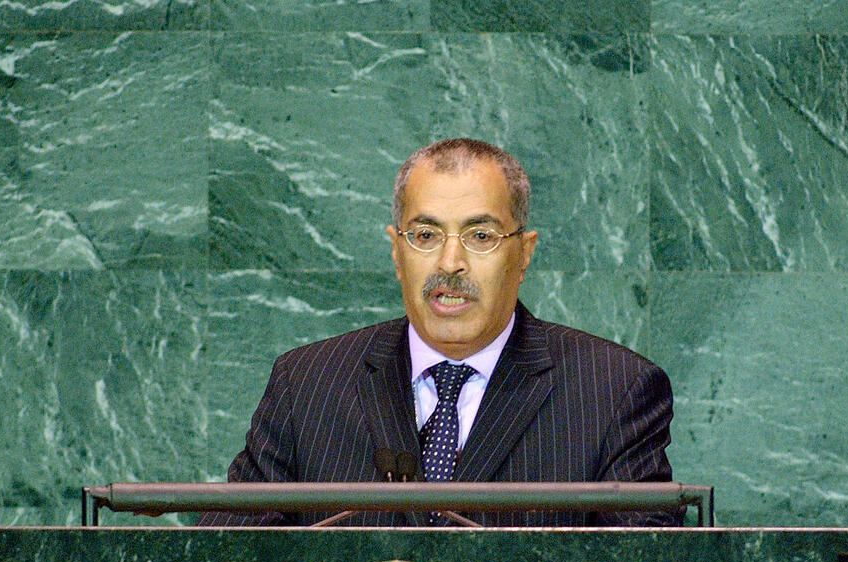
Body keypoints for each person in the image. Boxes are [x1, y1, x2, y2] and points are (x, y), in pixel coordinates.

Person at [202, 138, 679, 526]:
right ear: (396, 251)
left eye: (480, 236)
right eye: (426, 236)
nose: (450, 263)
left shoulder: (614, 392)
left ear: (524, 253)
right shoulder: (306, 386)